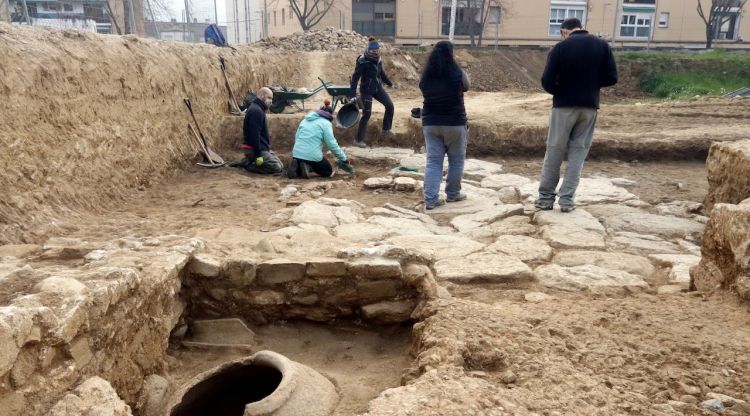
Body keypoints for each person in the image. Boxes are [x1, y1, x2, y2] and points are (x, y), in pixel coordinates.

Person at [535, 17, 618, 212]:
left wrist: (560, 90)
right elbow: (612, 77)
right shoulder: (602, 46)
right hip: (589, 107)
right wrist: (592, 85)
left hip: (563, 106)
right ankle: (567, 200)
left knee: (554, 151)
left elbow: (546, 81)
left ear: (565, 31)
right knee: (578, 155)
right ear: (581, 27)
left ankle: (546, 199)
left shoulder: (560, 48)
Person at [419, 41, 470, 210]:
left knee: (433, 162)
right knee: (456, 160)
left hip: (431, 123)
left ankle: (431, 199)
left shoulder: (425, 76)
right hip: (455, 123)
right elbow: (467, 86)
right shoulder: (457, 73)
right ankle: (453, 193)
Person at [288, 100, 354, 179]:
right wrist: (344, 159)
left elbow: (297, 137)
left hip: (297, 153)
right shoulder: (326, 123)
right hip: (312, 155)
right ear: (330, 114)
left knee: (304, 159)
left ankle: (299, 166)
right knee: (327, 171)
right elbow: (332, 144)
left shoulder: (305, 120)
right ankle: (307, 165)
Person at [349, 37, 395, 148]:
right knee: (367, 114)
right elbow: (355, 78)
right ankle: (358, 140)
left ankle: (386, 130)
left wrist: (390, 84)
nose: (376, 52)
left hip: (377, 88)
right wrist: (352, 94)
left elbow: (382, 74)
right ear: (369, 50)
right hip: (366, 90)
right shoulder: (362, 61)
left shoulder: (379, 59)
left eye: (378, 50)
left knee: (390, 106)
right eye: (374, 51)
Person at [234, 87, 284, 175]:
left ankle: (248, 161)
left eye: (271, 99)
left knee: (281, 166)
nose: (271, 101)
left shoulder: (258, 109)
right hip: (254, 150)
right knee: (277, 167)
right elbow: (254, 135)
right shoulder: (256, 111)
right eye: (269, 98)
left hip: (261, 148)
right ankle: (249, 165)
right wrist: (258, 155)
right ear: (261, 96)